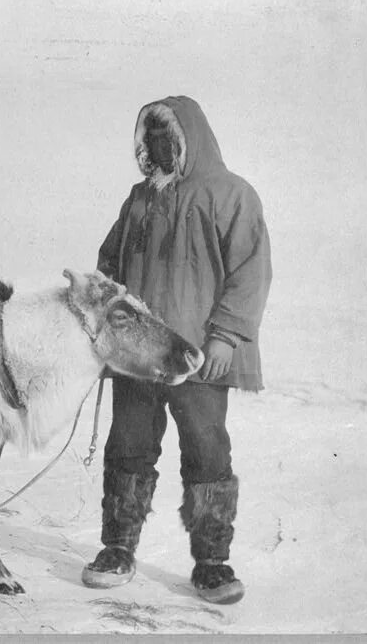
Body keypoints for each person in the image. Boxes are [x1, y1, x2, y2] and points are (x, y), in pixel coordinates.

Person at [83, 96, 272, 605]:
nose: (160, 148)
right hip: (140, 360)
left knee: (207, 454)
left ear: (191, 139)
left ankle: (212, 564)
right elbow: (109, 265)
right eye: (152, 139)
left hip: (199, 359)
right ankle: (117, 548)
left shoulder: (231, 195)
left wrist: (226, 337)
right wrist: (103, 309)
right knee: (128, 448)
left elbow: (250, 271)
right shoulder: (138, 200)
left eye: (169, 138)